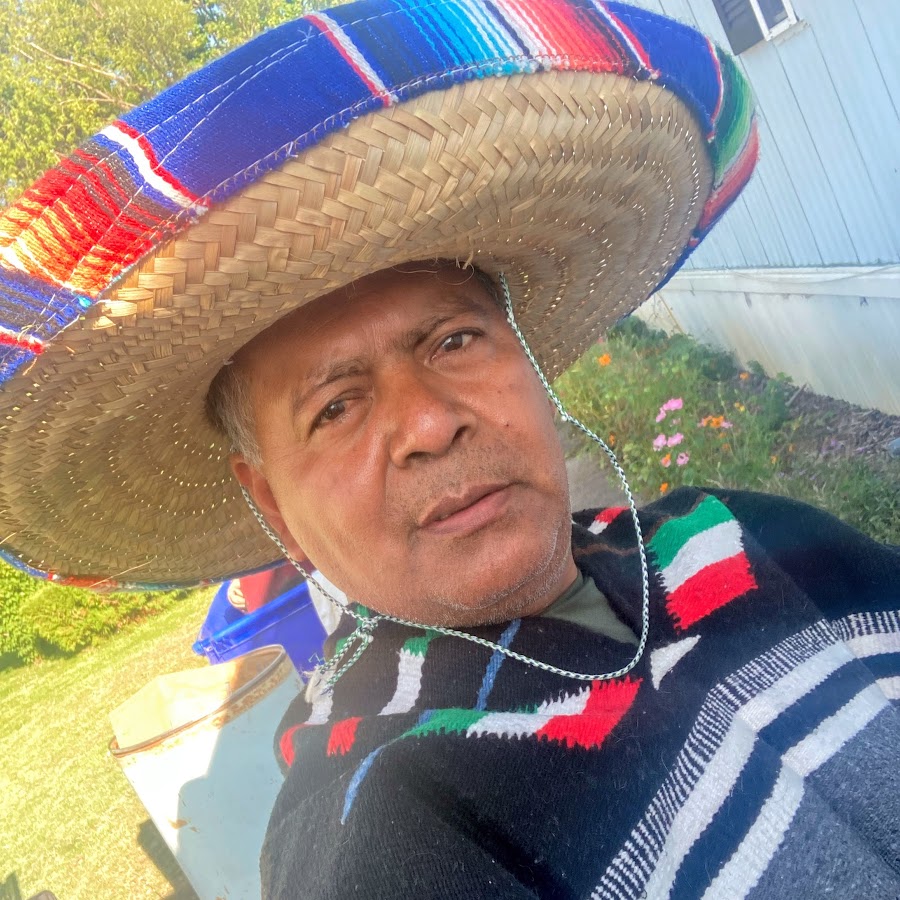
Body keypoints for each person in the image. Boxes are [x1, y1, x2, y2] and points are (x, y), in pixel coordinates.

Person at [0, 1, 896, 898]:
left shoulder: (736, 532)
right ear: (273, 504)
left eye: (454, 341)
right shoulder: (384, 821)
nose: (431, 424)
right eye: (336, 407)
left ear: (530, 363)